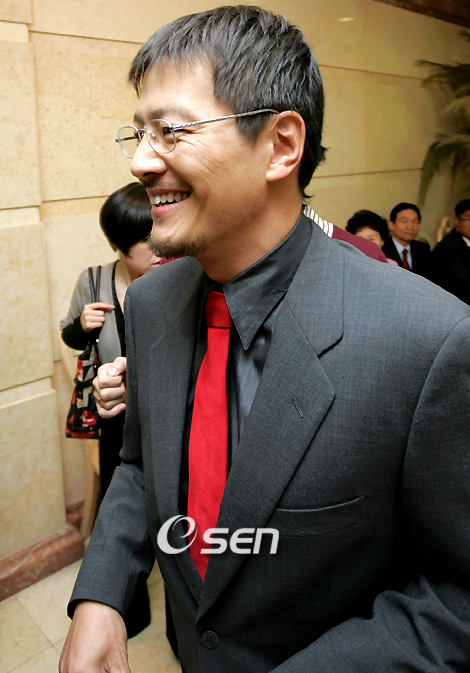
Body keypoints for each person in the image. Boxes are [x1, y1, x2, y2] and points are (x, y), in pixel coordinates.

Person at [60, 7, 470, 673]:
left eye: (171, 131)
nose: (140, 161)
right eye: (138, 133)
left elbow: (457, 598)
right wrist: (103, 593)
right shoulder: (154, 302)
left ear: (281, 145)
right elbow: (138, 463)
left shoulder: (428, 340)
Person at [60, 181, 166, 638]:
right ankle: (128, 609)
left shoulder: (175, 277)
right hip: (115, 413)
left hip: (165, 408)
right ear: (120, 246)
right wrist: (82, 326)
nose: (160, 247)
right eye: (146, 240)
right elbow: (70, 335)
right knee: (119, 503)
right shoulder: (93, 281)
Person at [431, 198, 470, 305]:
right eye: (469, 219)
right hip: (452, 301)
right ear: (457, 221)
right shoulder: (449, 246)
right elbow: (465, 281)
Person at [382, 202, 431, 276]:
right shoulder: (382, 249)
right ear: (391, 225)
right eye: (404, 221)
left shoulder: (423, 249)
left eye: (414, 222)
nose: (410, 227)